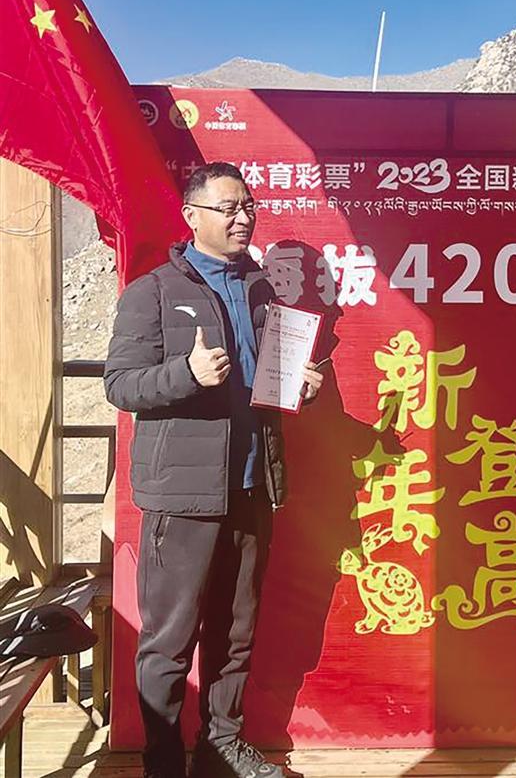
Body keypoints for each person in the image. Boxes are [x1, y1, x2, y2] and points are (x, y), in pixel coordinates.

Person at [104, 162, 324, 778]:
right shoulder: (152, 292)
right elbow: (120, 384)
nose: (242, 217)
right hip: (183, 496)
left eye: (247, 206)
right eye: (228, 208)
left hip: (251, 485)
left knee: (236, 631)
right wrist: (186, 374)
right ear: (192, 216)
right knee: (169, 640)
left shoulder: (260, 290)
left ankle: (222, 747)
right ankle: (163, 761)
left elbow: (264, 381)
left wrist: (299, 387)